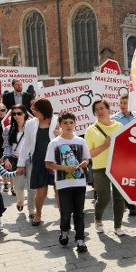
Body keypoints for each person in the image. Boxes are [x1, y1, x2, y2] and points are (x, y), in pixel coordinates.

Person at [44, 111, 91, 253]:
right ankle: (64, 230)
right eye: (65, 123)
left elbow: (86, 159)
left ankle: (80, 239)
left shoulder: (81, 141)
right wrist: (65, 168)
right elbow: (48, 164)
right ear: (60, 124)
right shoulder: (55, 143)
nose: (69, 125)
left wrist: (83, 163)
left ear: (75, 124)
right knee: (65, 212)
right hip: (63, 184)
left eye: (71, 122)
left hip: (79, 183)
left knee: (79, 212)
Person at [85, 99, 126, 236]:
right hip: (100, 167)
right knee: (104, 198)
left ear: (109, 110)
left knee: (119, 197)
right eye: (96, 110)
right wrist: (105, 146)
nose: (99, 112)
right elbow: (88, 153)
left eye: (102, 108)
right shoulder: (91, 130)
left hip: (118, 166)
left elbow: (126, 147)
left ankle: (118, 226)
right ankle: (98, 220)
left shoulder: (119, 126)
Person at [16, 98, 56, 226]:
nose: (33, 112)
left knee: (59, 191)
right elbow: (26, 144)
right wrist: (20, 164)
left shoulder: (58, 121)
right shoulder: (30, 123)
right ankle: (38, 214)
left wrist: (61, 133)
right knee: (41, 191)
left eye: (35, 110)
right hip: (38, 161)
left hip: (56, 162)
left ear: (44, 111)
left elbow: (71, 135)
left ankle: (64, 216)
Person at [2, 104, 31, 213]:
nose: (16, 116)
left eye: (19, 113)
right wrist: (6, 159)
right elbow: (7, 145)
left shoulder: (30, 127)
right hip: (16, 160)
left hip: (30, 159)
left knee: (31, 186)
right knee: (18, 187)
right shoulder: (8, 129)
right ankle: (20, 200)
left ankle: (31, 210)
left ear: (25, 114)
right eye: (14, 114)